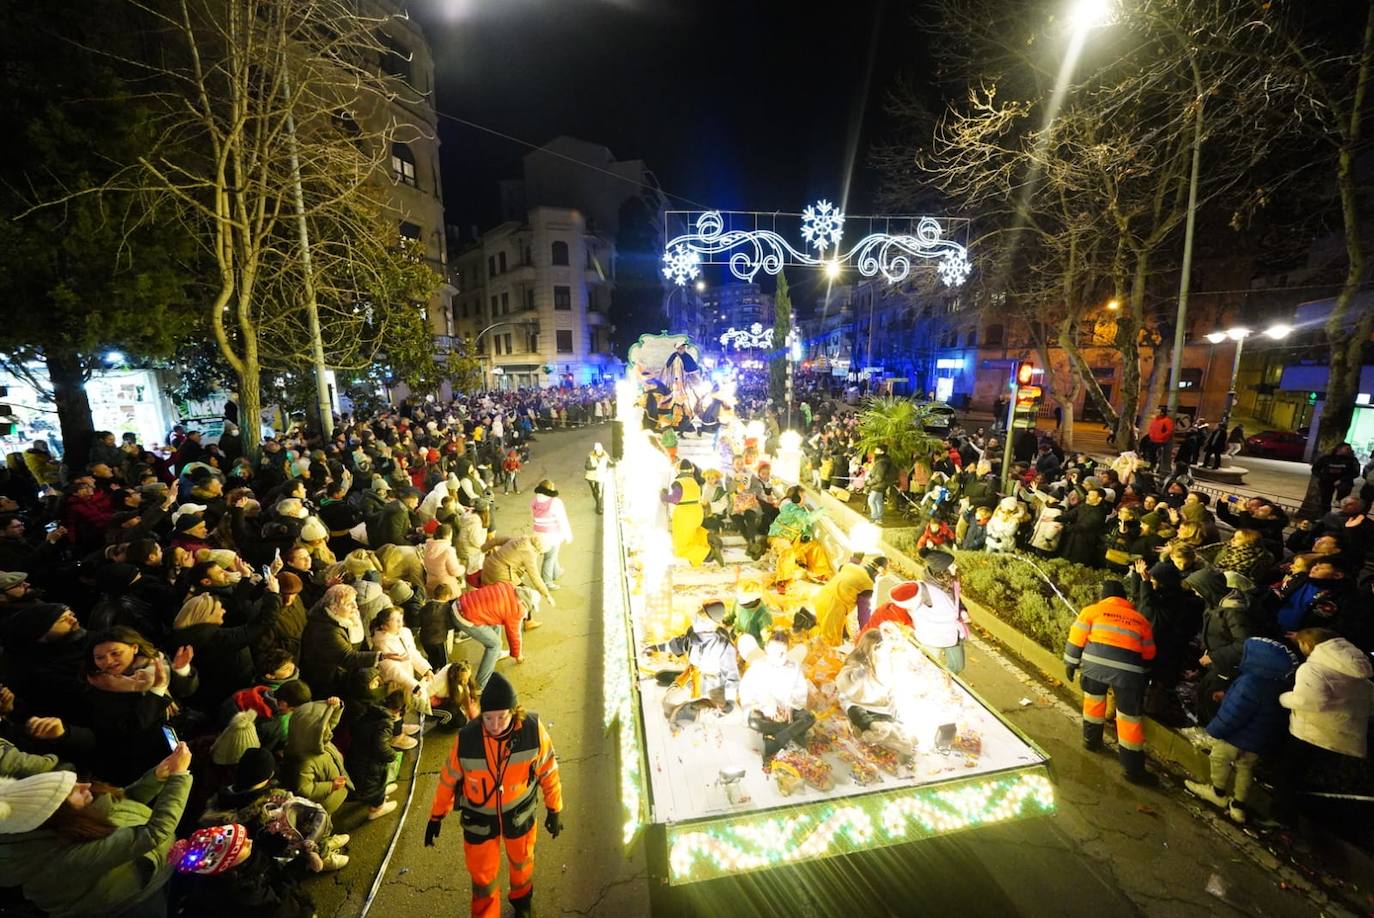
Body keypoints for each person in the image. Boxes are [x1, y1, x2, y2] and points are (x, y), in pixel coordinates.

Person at [424, 672, 563, 918]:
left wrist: (555, 808)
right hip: (479, 822)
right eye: (488, 718)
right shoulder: (467, 739)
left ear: (514, 712)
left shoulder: (533, 731)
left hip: (519, 816)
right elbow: (448, 779)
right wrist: (436, 816)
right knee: (483, 877)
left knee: (522, 863)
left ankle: (522, 903)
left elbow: (548, 770)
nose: (496, 725)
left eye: (502, 717)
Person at [0, 742, 193, 918]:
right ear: (57, 814)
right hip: (130, 904)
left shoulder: (71, 820)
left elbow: (121, 802)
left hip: (152, 872)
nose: (85, 785)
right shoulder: (62, 859)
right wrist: (179, 777)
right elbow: (153, 833)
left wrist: (157, 776)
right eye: (73, 790)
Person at [1184, 637, 1298, 825]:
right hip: (1255, 741)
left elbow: (1235, 712)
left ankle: (1217, 793)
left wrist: (1215, 729)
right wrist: (1227, 694)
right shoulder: (1277, 684)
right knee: (1245, 770)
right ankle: (1238, 806)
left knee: (1219, 760)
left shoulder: (1250, 682)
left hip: (1233, 738)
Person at [1064, 580, 1158, 785]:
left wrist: (1070, 664)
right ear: (1124, 599)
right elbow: (1149, 652)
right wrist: (1145, 674)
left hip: (1093, 668)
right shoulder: (1139, 619)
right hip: (1128, 675)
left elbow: (1076, 639)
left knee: (1094, 703)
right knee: (1128, 719)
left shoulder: (1091, 611)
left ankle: (1091, 741)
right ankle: (1133, 769)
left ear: (1104, 597)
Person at [1275, 628, 1374, 821]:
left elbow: (1309, 701)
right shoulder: (1357, 671)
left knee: (1287, 775)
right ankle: (1306, 819)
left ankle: (1282, 820)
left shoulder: (1312, 669)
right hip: (1344, 736)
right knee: (1314, 781)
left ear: (1309, 645)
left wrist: (1283, 698)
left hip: (1311, 733)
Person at [737, 630, 814, 763]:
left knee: (809, 717)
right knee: (753, 721)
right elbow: (748, 691)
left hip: (787, 711)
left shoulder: (793, 666)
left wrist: (790, 705)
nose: (779, 657)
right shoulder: (759, 666)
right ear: (766, 649)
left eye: (783, 653)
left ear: (788, 650)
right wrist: (766, 706)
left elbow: (800, 690)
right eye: (775, 652)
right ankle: (790, 733)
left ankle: (777, 741)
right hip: (765, 712)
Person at [529, 481, 571, 591]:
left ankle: (556, 572)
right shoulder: (555, 502)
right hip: (552, 535)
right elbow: (562, 520)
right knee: (550, 557)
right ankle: (546, 582)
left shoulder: (534, 501)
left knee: (552, 555)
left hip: (538, 534)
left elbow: (533, 517)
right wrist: (568, 535)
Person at [1311, 443, 1362, 511]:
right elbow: (1315, 469)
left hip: (1344, 483)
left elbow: (1355, 472)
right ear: (1339, 449)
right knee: (1325, 500)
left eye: (1349, 449)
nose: (1349, 451)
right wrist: (1323, 477)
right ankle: (1325, 516)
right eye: (1347, 449)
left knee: (1343, 502)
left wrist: (1342, 480)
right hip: (1327, 482)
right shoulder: (1327, 458)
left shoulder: (1352, 460)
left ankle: (1339, 516)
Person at [584, 443, 609, 515]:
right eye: (597, 450)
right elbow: (586, 467)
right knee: (595, 492)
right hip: (591, 477)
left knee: (599, 492)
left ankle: (598, 508)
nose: (599, 451)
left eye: (600, 450)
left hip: (600, 477)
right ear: (595, 450)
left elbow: (609, 463)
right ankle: (598, 504)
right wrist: (596, 467)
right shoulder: (590, 456)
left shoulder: (605, 455)